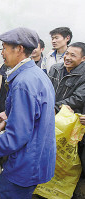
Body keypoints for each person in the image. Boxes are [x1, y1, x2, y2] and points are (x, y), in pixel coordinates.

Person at [0, 27, 56, 198]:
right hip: (37, 158)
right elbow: (35, 116)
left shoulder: (23, 83)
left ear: (20, 49)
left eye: (5, 48)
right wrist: (9, 121)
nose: (2, 53)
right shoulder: (37, 74)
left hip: (25, 163)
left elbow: (18, 136)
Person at [48, 42, 85, 197]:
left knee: (69, 160)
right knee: (51, 156)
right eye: (67, 54)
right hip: (52, 121)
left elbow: (78, 99)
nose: (67, 58)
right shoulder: (55, 68)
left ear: (83, 59)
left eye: (73, 55)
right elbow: (47, 90)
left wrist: (53, 108)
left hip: (71, 126)